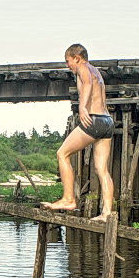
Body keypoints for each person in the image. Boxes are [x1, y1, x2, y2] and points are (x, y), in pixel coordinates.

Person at [41, 44, 115, 221]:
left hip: (94, 119)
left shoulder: (83, 67)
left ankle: (68, 199)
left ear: (77, 58)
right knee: (102, 170)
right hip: (107, 121)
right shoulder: (97, 71)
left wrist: (82, 107)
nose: (68, 66)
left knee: (62, 154)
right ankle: (107, 213)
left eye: (68, 61)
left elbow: (87, 83)